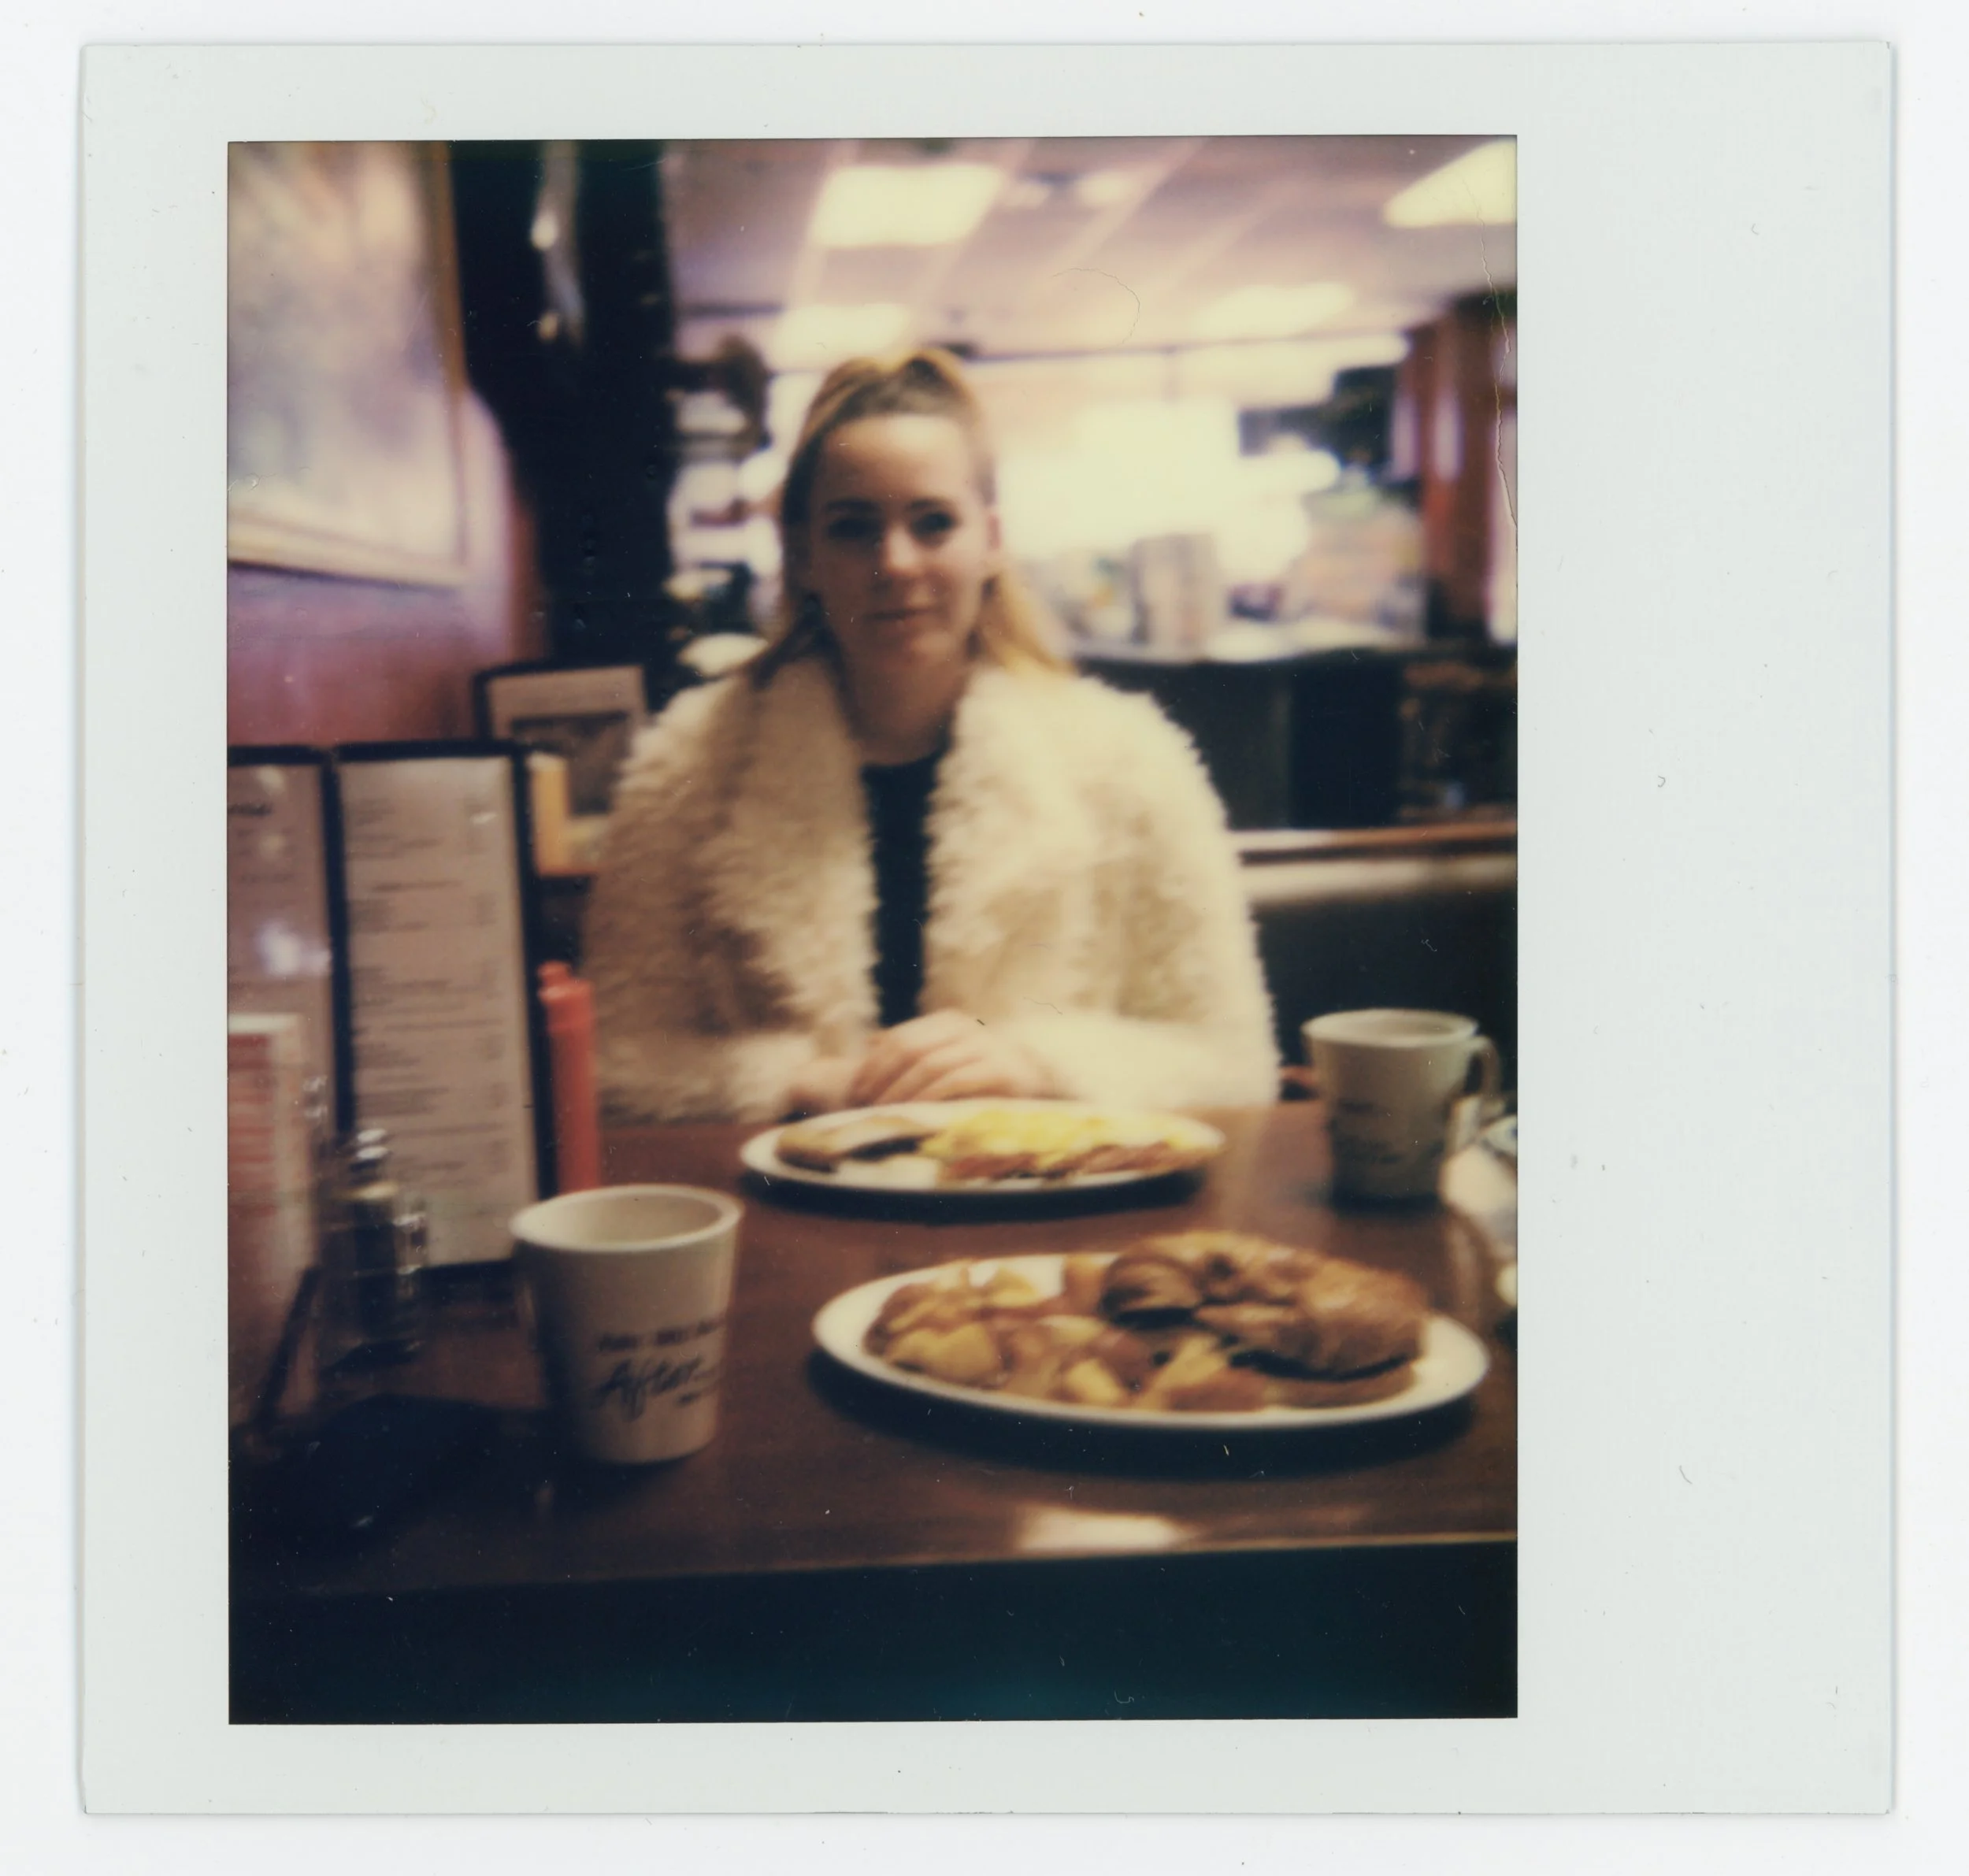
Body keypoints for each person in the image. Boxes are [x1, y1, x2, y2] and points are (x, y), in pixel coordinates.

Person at [584, 347, 1278, 1124]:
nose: (896, 562)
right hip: (795, 1223)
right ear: (803, 554)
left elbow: (1233, 1058)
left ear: (990, 541)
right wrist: (797, 1083)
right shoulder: (690, 766)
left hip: (1044, 1210)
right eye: (853, 529)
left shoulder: (1130, 759)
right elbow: (615, 1061)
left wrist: (1036, 1064)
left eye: (933, 523)